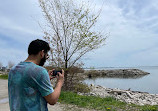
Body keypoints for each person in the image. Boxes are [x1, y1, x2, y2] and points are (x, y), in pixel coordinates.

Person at [8, 39, 64, 111]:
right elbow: (52, 100)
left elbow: (27, 88)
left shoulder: (13, 70)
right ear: (42, 53)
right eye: (47, 55)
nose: (46, 58)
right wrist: (60, 82)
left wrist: (46, 79)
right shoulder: (40, 71)